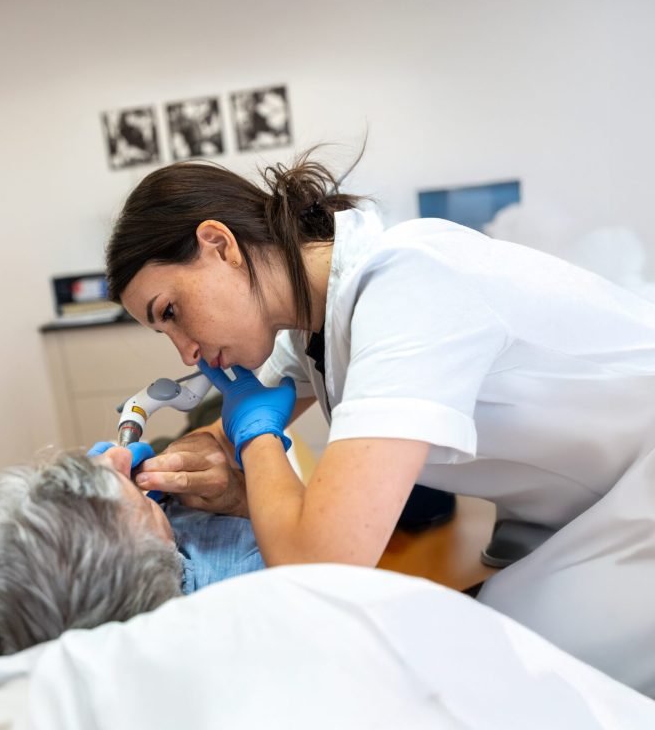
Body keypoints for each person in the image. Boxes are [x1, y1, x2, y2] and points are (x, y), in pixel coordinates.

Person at [102, 149, 655, 696]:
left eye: (170, 312)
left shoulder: (409, 287)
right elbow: (221, 440)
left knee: (510, 689)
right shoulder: (307, 322)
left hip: (638, 496)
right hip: (581, 505)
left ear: (219, 246)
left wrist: (258, 436)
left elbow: (321, 560)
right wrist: (160, 471)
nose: (185, 353)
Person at [0, 444, 263, 655]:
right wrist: (258, 450)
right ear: (149, 570)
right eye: (144, 505)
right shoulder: (251, 586)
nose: (117, 455)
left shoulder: (153, 538)